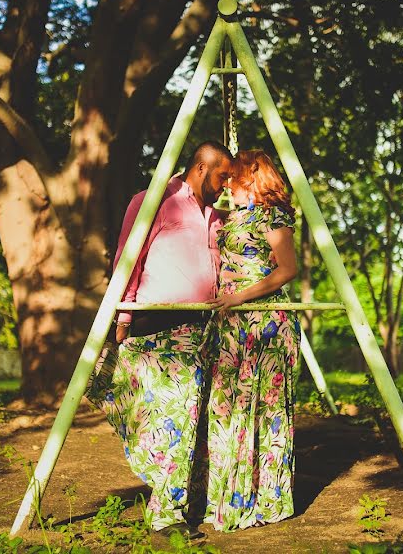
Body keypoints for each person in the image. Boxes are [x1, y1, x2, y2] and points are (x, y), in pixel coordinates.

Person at [97, 140, 233, 535]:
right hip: (157, 325)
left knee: (191, 421)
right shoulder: (154, 199)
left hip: (202, 331)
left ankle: (178, 506)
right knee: (168, 421)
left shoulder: (217, 215)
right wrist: (122, 317)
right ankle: (164, 518)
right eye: (223, 175)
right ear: (202, 168)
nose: (226, 184)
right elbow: (128, 257)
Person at [204, 149, 300, 531]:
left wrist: (240, 297)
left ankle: (265, 499)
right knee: (228, 409)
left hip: (264, 324)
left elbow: (288, 269)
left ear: (252, 177)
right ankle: (228, 494)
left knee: (263, 409)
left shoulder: (273, 215)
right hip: (231, 325)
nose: (227, 183)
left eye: (234, 177)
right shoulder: (235, 215)